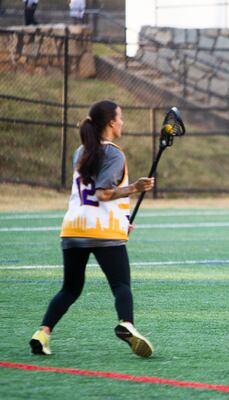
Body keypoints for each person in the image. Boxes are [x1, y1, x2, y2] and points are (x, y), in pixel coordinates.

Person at [29, 100, 155, 358]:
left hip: (73, 228)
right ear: (110, 122)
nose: (122, 122)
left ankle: (42, 334)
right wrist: (136, 187)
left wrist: (121, 221)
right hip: (101, 231)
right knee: (121, 285)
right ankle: (126, 324)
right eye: (120, 117)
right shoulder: (115, 154)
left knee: (70, 289)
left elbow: (91, 195)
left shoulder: (81, 151)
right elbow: (104, 193)